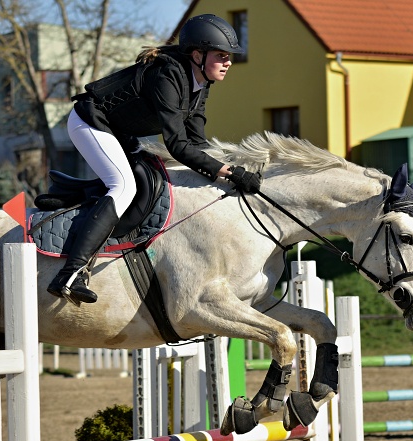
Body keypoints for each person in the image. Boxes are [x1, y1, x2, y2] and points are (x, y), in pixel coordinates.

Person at [48, 13, 263, 305]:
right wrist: (228, 172)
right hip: (90, 122)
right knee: (124, 186)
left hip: (120, 132)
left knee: (149, 178)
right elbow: (177, 145)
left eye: (229, 57)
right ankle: (70, 274)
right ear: (197, 55)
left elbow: (197, 142)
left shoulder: (200, 82)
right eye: (221, 56)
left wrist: (230, 170)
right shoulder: (168, 76)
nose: (228, 63)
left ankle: (76, 197)